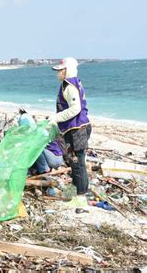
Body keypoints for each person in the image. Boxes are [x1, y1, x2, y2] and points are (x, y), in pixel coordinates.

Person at [50, 57, 91, 207]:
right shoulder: (69, 84)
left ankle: (80, 199)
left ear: (68, 71)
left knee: (77, 163)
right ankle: (75, 195)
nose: (58, 73)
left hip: (77, 130)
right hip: (74, 128)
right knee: (75, 163)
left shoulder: (70, 87)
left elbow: (76, 108)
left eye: (60, 70)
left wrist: (56, 117)